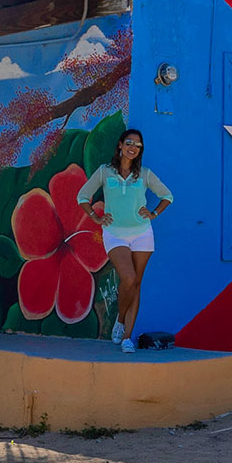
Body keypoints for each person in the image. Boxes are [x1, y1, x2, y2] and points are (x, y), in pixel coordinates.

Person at [77, 129, 173, 354]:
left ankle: (127, 337)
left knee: (136, 284)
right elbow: (82, 196)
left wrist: (153, 213)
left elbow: (167, 196)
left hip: (142, 234)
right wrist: (95, 217)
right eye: (129, 143)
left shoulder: (145, 175)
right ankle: (120, 320)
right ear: (120, 145)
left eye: (138, 145)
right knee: (128, 278)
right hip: (114, 233)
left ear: (140, 150)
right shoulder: (105, 172)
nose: (133, 148)